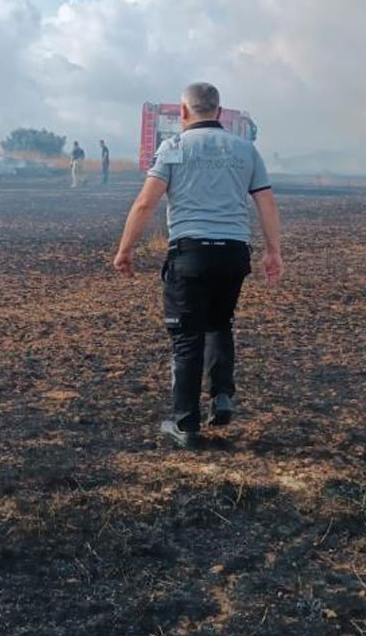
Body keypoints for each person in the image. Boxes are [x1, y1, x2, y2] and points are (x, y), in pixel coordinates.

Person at [112, 82, 283, 449]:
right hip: (234, 253)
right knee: (220, 323)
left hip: (191, 253)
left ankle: (185, 424)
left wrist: (126, 250)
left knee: (186, 338)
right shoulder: (246, 149)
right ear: (219, 112)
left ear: (184, 112)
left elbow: (146, 203)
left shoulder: (173, 148)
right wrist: (273, 251)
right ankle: (222, 396)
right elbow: (266, 203)